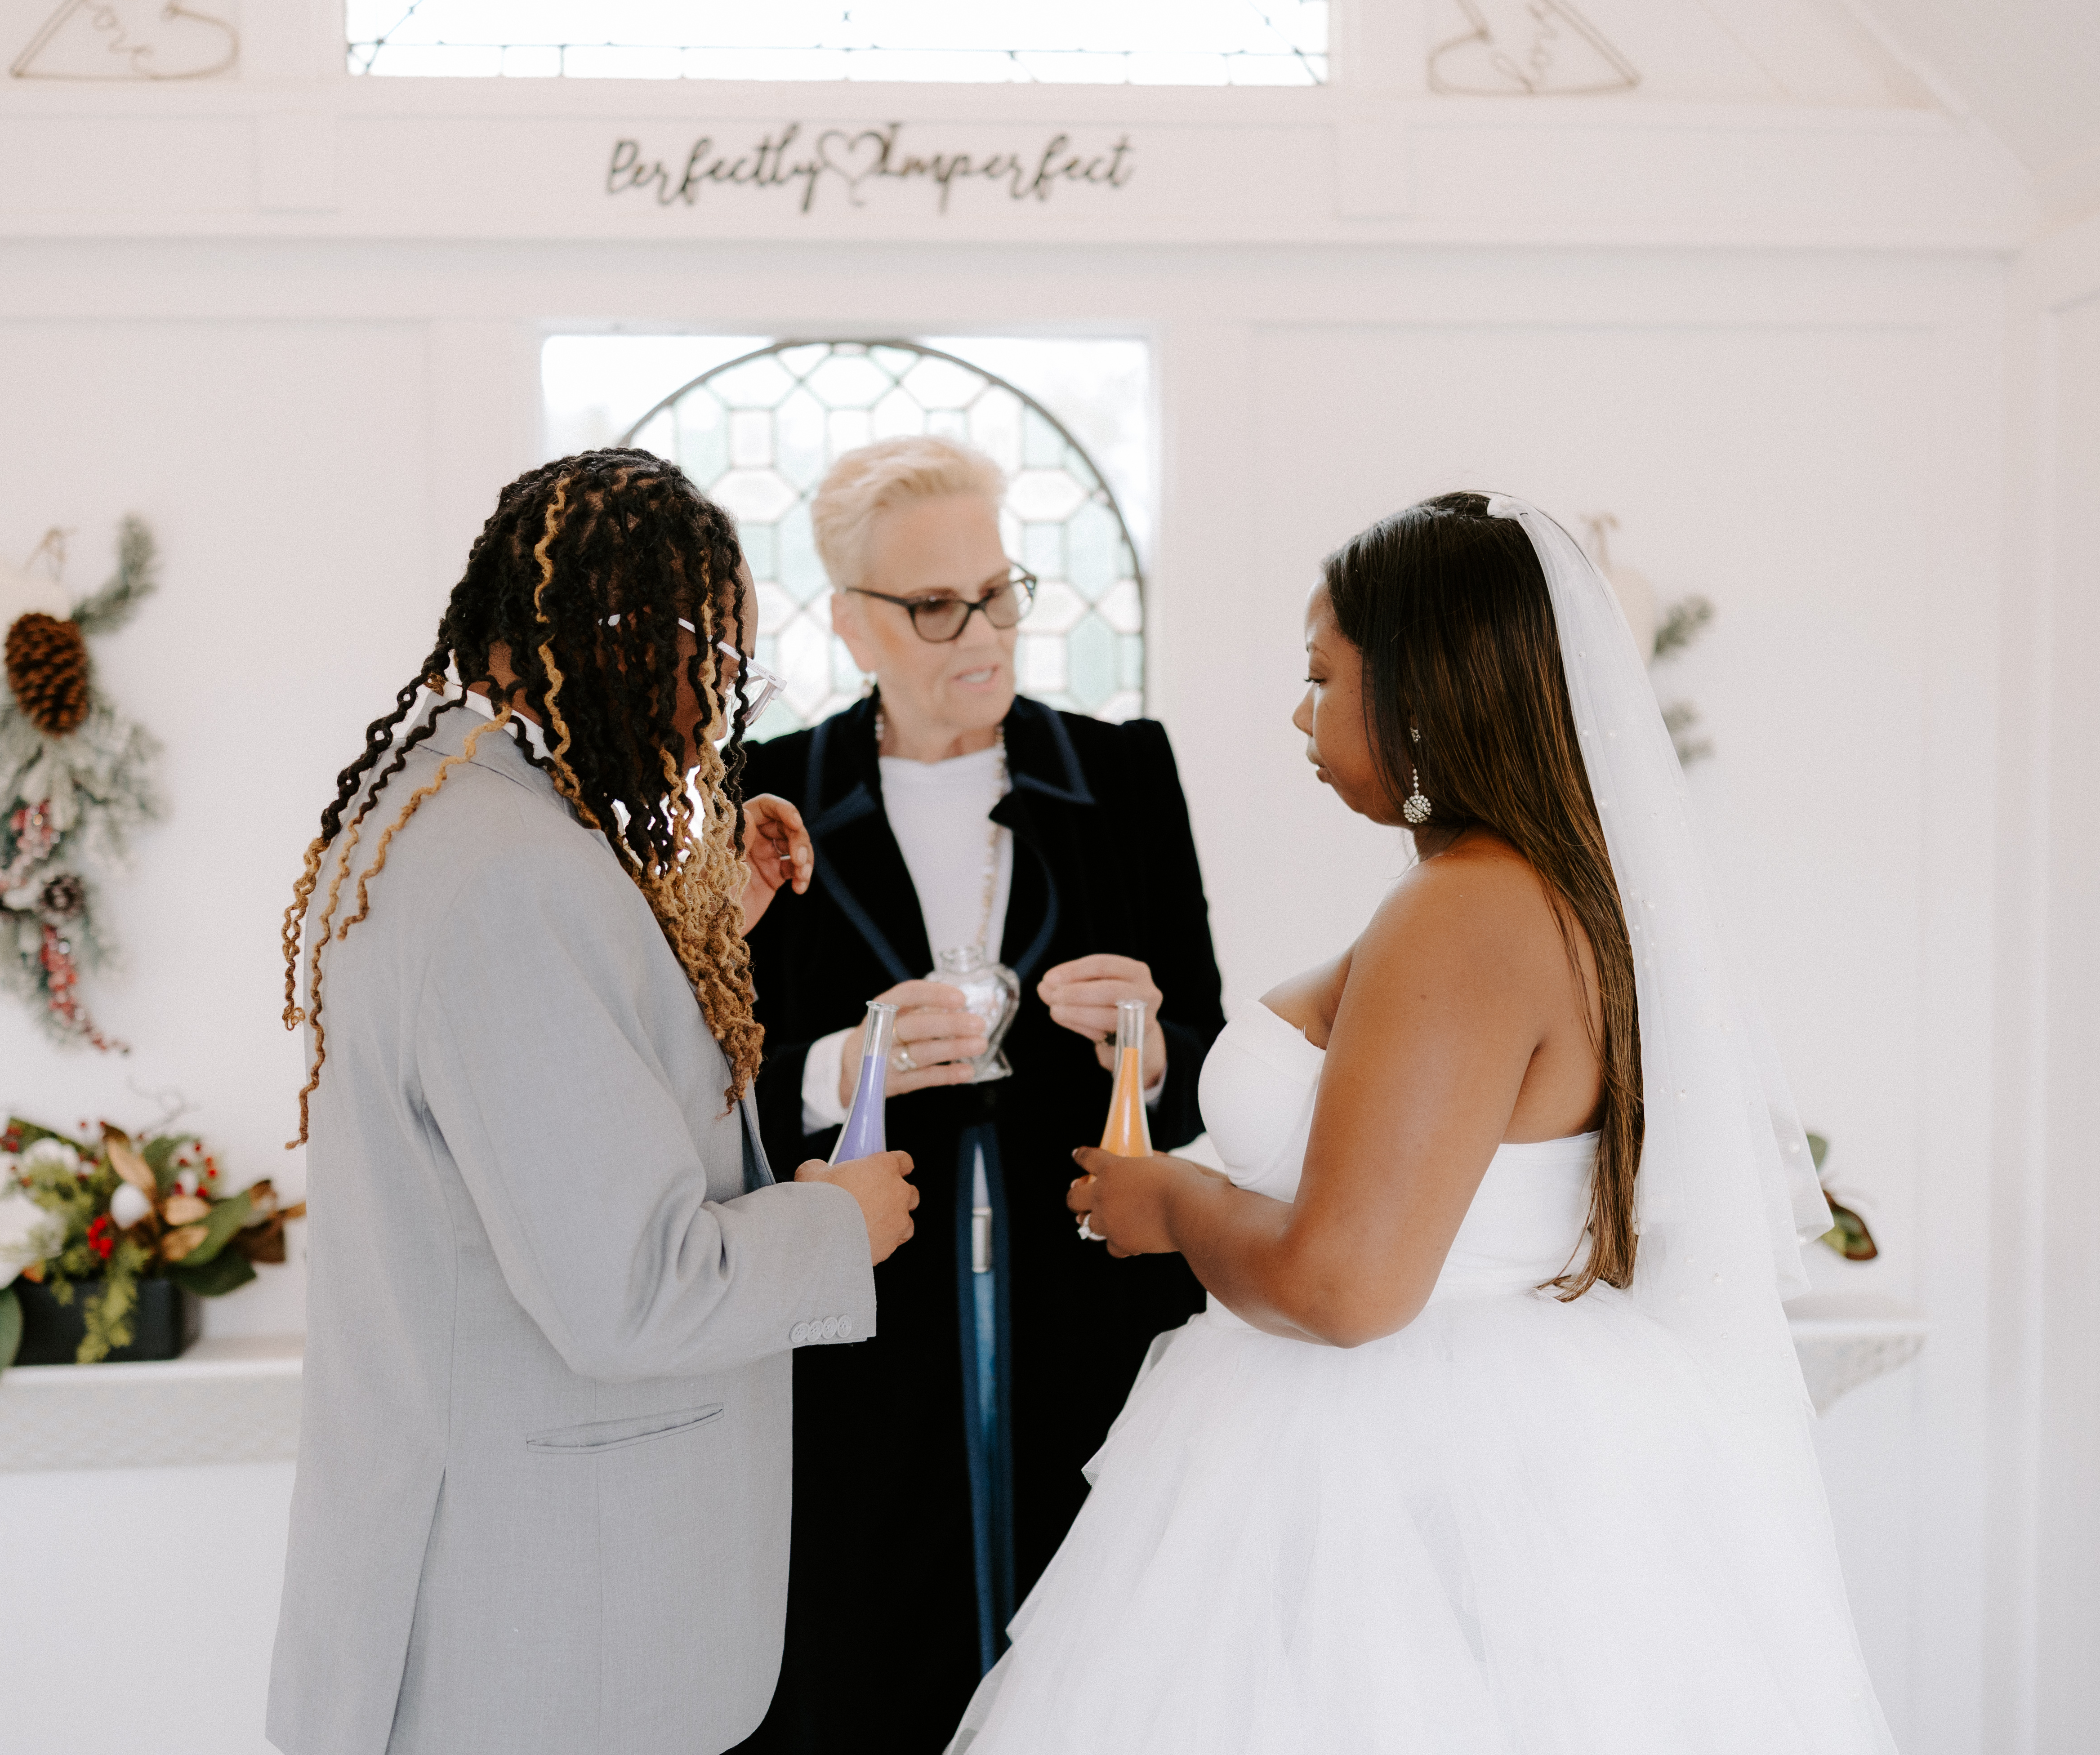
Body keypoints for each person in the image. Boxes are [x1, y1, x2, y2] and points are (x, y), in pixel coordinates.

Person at [951, 492, 1895, 1752]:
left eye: (1322, 674)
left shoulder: (1468, 910)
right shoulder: (1520, 889)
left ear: (1423, 687)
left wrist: (1168, 1205)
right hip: (1464, 1440)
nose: (1300, 710)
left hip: (1400, 1464)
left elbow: (1347, 1284)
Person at [264, 450, 920, 1755]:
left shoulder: (433, 823)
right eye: (718, 660)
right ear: (627, 642)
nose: (720, 706)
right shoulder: (510, 880)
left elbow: (553, 1111)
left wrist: (708, 923)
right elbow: (634, 1288)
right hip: (544, 1632)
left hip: (493, 1588)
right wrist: (839, 1222)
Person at [734, 436, 1224, 1753]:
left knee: (1102, 1671)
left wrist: (1153, 1041)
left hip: (1093, 1320)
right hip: (860, 1353)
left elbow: (1205, 1045)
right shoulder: (764, 796)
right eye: (938, 605)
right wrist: (847, 1066)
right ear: (852, 623)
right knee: (869, 1683)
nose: (983, 633)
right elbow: (712, 1088)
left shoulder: (1122, 776)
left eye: (1001, 593)